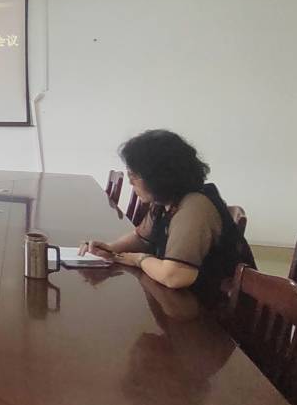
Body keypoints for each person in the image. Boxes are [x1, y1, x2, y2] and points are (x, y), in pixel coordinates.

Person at [79, 129, 254, 307]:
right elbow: (141, 238)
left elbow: (175, 276)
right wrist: (111, 249)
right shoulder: (165, 200)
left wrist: (138, 259)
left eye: (134, 175)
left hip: (219, 312)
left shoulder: (194, 206)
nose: (130, 182)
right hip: (186, 299)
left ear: (158, 176)